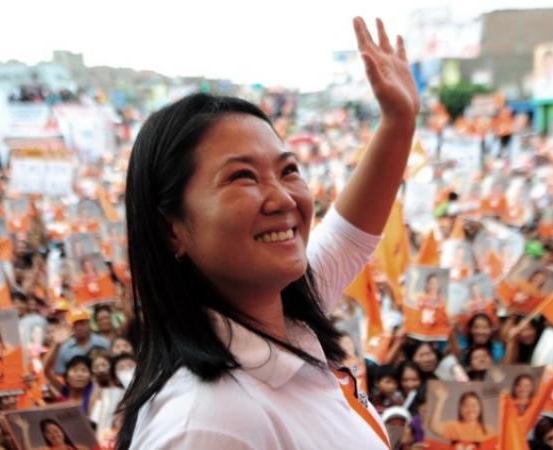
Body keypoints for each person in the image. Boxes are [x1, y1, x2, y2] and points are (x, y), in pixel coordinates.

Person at [119, 16, 418, 449]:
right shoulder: (205, 425)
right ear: (171, 230)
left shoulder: (281, 320)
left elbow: (350, 235)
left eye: (288, 170)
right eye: (242, 177)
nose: (282, 198)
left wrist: (399, 121)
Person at [428, 384, 496, 444]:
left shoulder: (489, 431)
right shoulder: (453, 427)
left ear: (480, 408)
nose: (470, 409)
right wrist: (441, 399)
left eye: (473, 405)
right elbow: (434, 426)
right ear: (460, 409)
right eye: (466, 405)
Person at [52, 309, 110, 375]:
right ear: (71, 327)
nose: (79, 328)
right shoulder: (65, 348)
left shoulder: (103, 343)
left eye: (82, 323)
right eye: (75, 324)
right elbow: (60, 372)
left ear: (89, 324)